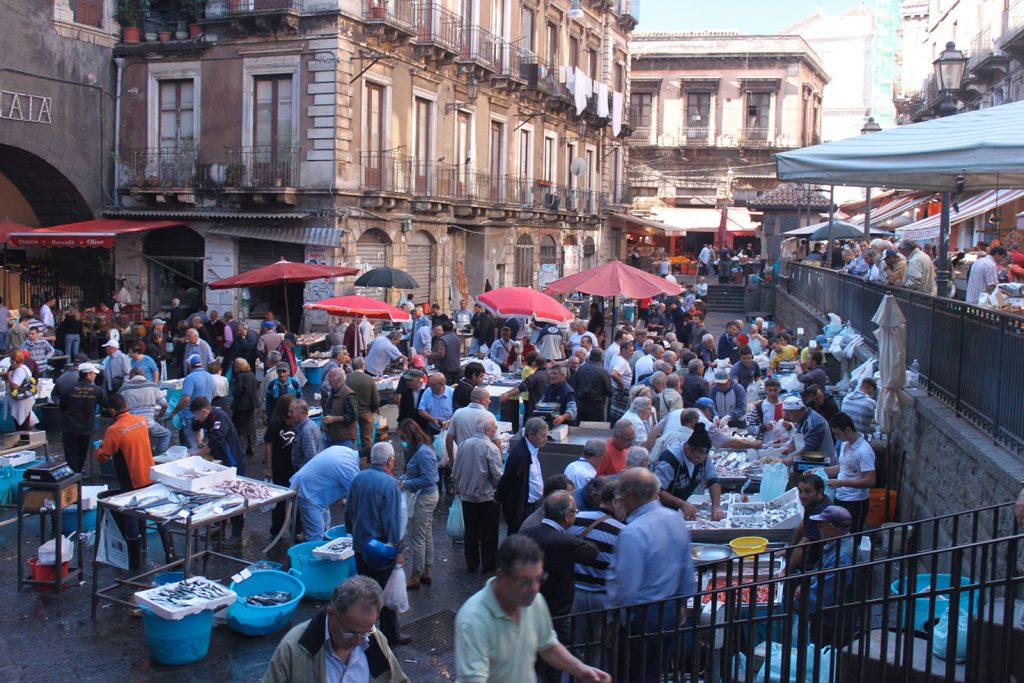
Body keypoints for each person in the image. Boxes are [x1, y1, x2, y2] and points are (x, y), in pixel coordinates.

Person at [455, 534, 612, 683]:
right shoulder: (473, 620)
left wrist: (581, 670)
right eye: (524, 581)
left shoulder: (534, 601)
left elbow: (548, 645)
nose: (535, 588)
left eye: (539, 578)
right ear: (501, 575)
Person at [606, 468, 695, 683]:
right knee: (653, 673)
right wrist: (682, 604)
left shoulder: (632, 532)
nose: (618, 499)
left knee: (631, 675)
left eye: (619, 493)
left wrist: (612, 620)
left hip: (642, 617)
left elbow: (625, 587)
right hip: (670, 610)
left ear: (628, 495)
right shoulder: (674, 518)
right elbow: (686, 567)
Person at [262, 575, 409, 683]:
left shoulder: (376, 641)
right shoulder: (294, 648)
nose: (358, 642)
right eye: (350, 633)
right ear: (331, 614)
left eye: (365, 633)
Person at [520, 492, 599, 682]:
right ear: (567, 516)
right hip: (558, 611)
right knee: (554, 663)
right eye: (575, 512)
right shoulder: (563, 541)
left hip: (527, 608)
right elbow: (592, 552)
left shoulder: (526, 533)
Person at [95, 393, 175, 568]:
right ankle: (171, 554)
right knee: (160, 513)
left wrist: (100, 446)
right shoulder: (140, 420)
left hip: (131, 479)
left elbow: (102, 455)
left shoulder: (114, 429)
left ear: (112, 410)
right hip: (150, 474)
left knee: (131, 514)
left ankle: (134, 559)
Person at [345, 442, 409, 645]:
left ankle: (365, 631)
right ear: (390, 460)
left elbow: (350, 512)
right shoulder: (389, 484)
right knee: (385, 593)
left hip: (360, 545)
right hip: (381, 548)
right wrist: (397, 549)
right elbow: (392, 522)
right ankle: (390, 634)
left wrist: (352, 532)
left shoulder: (359, 478)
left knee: (365, 591)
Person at [793, 505, 855, 646]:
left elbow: (820, 597)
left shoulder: (843, 557)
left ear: (831, 528)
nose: (819, 529)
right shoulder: (839, 546)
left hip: (834, 622)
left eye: (821, 526)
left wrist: (800, 596)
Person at [190, 396, 247, 545]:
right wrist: (198, 440)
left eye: (197, 414)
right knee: (218, 496)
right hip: (218, 463)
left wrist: (196, 455)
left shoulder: (219, 418)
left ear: (204, 411)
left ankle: (237, 534)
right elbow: (195, 424)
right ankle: (218, 528)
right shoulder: (204, 417)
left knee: (235, 498)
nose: (196, 417)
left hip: (233, 463)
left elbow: (215, 441)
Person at [453, 413, 504, 573]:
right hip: (486, 497)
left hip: (466, 496)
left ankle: (472, 562)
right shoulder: (491, 448)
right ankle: (488, 564)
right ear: (488, 431)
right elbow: (496, 475)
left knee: (471, 531)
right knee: (489, 533)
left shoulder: (463, 445)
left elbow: (456, 470)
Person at [569, 477, 625, 614]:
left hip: (573, 595)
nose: (626, 511)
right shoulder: (622, 532)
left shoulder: (575, 519)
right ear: (616, 502)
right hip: (603, 598)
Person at [395, 419, 439, 590]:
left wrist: (406, 484)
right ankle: (426, 572)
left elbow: (429, 478)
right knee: (426, 535)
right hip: (425, 496)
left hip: (425, 498)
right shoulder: (421, 449)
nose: (402, 440)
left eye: (403, 436)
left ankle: (415, 576)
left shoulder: (423, 452)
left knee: (418, 538)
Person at [653, 422, 725, 520]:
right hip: (660, 510)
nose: (699, 461)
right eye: (696, 457)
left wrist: (716, 506)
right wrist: (681, 503)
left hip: (679, 508)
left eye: (702, 459)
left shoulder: (704, 459)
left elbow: (713, 480)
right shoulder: (669, 460)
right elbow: (657, 490)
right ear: (687, 448)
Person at [290, 444, 361, 542]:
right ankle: (312, 555)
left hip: (315, 491)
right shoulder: (348, 467)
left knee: (325, 525)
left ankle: (322, 551)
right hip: (308, 493)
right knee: (316, 534)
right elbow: (359, 497)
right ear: (365, 460)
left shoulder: (346, 451)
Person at [821, 412, 876, 533]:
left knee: (853, 536)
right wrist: (821, 470)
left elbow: (870, 480)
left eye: (837, 434)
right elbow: (844, 467)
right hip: (840, 497)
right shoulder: (844, 444)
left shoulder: (864, 451)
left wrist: (841, 482)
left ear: (848, 430)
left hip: (856, 501)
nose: (835, 437)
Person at [496, 417, 549, 534]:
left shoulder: (532, 449)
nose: (546, 439)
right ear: (531, 435)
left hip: (529, 506)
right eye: (543, 435)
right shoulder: (520, 455)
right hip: (521, 509)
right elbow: (508, 481)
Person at [58, 362, 105, 472]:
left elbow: (62, 406)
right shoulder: (96, 390)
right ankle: (78, 473)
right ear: (88, 374)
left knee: (71, 455)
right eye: (94, 373)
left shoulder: (69, 389)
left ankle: (73, 478)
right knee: (82, 454)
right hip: (86, 428)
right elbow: (107, 404)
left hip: (69, 427)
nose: (95, 376)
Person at [265, 394, 298, 538]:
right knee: (280, 502)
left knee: (297, 500)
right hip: (280, 467)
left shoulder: (296, 423)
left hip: (294, 468)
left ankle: (296, 528)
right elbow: (268, 447)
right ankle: (276, 530)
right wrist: (269, 468)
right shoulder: (275, 425)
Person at [166, 355, 215, 449]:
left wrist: (173, 412)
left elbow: (185, 399)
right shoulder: (209, 376)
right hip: (204, 415)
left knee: (192, 445)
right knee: (200, 441)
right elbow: (213, 394)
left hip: (191, 416)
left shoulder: (190, 378)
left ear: (189, 365)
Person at [787, 473, 833, 572]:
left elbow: (802, 546)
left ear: (820, 491)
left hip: (820, 562)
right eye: (800, 491)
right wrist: (789, 549)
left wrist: (785, 572)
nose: (802, 496)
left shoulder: (820, 511)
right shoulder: (811, 502)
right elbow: (801, 526)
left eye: (807, 492)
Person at [119, 368, 170, 454]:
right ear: (143, 375)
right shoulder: (153, 386)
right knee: (166, 434)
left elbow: (119, 405)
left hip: (132, 426)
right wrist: (159, 415)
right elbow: (165, 405)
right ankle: (158, 458)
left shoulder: (124, 388)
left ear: (133, 374)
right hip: (149, 425)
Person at [780, 396, 836, 464]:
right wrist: (788, 449)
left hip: (825, 464)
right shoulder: (802, 419)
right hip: (813, 461)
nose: (786, 417)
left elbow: (808, 450)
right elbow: (797, 435)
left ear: (796, 412)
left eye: (788, 414)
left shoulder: (813, 423)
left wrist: (790, 460)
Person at [347, 357, 381, 451]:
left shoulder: (346, 379)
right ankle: (366, 459)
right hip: (366, 412)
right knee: (367, 440)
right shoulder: (369, 379)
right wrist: (372, 410)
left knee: (351, 438)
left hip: (350, 413)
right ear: (363, 366)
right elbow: (376, 399)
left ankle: (352, 458)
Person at [322, 368, 359, 449]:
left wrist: (334, 419)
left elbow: (353, 416)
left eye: (330, 376)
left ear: (338, 379)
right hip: (331, 436)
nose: (328, 378)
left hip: (344, 439)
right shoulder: (333, 391)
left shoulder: (348, 394)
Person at [229, 358, 259, 456]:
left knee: (239, 428)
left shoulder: (240, 377)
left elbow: (238, 391)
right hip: (251, 404)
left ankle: (240, 448)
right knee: (249, 426)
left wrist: (233, 393)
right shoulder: (252, 375)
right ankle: (250, 447)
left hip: (240, 406)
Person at [563, 439, 605, 509]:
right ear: (598, 456)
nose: (603, 459)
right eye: (603, 456)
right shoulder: (590, 477)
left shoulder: (570, 465)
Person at [289, 399, 324, 469]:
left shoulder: (306, 431)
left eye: (291, 412)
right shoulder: (309, 425)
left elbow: (311, 461)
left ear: (302, 412)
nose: (288, 414)